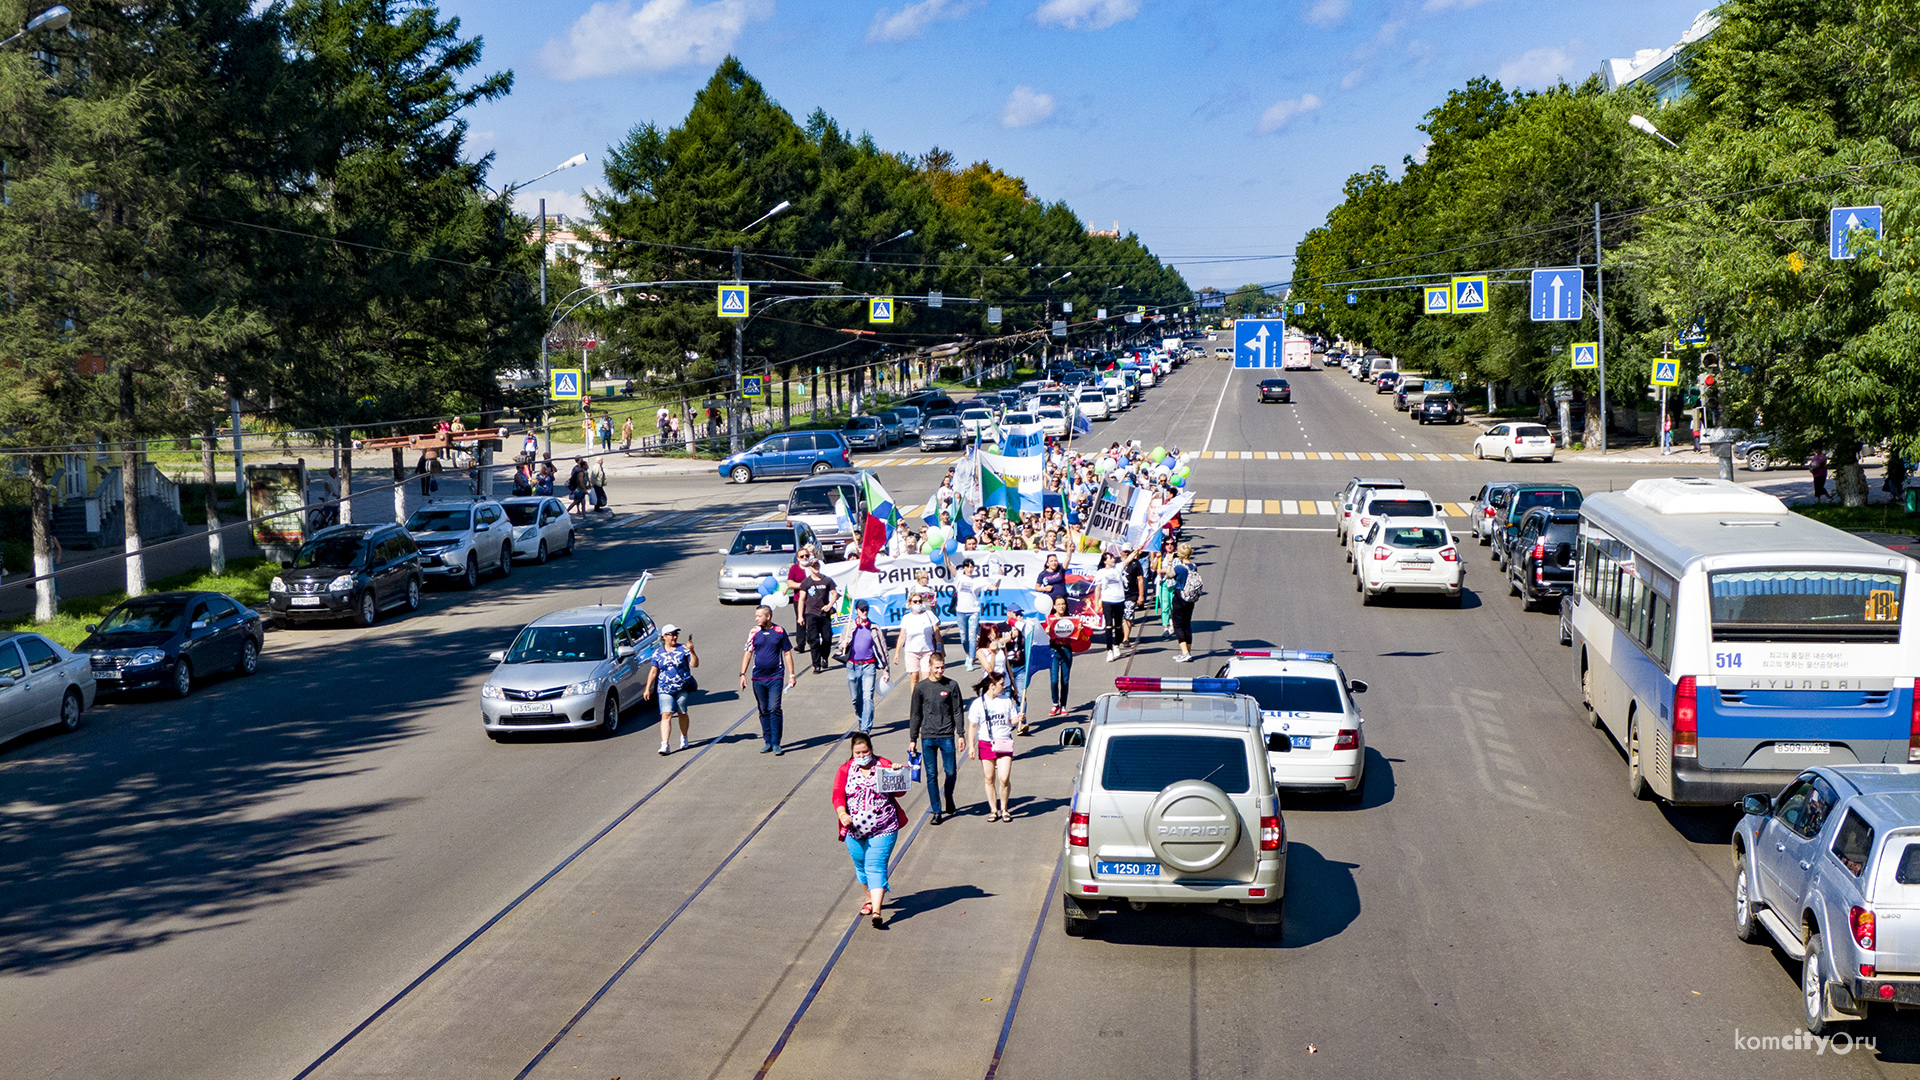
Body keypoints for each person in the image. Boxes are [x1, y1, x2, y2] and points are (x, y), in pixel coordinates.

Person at [833, 732, 905, 929]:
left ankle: (877, 911)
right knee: (861, 865)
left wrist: (896, 773)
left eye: (865, 751)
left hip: (884, 827)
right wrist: (841, 813)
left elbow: (900, 792)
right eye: (857, 753)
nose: (862, 755)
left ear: (871, 750)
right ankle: (869, 897)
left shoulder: (883, 764)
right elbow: (837, 795)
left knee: (875, 866)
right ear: (852, 753)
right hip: (854, 830)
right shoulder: (845, 769)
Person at [908, 652, 965, 824]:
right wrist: (913, 738)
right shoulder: (921, 688)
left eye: (942, 667)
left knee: (951, 772)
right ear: (930, 667)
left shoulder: (951, 685)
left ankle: (948, 795)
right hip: (928, 736)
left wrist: (960, 734)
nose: (940, 671)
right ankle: (936, 810)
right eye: (937, 667)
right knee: (931, 775)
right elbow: (915, 714)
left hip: (947, 735)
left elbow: (958, 711)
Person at [740, 605, 797, 754]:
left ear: (768, 616)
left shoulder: (779, 631)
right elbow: (748, 652)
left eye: (759, 616)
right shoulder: (754, 632)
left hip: (775, 676)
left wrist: (791, 675)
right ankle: (768, 741)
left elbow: (787, 653)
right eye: (756, 616)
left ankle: (776, 742)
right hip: (758, 677)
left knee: (774, 708)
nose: (756, 618)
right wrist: (742, 674)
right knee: (763, 709)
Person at [966, 672, 1019, 821]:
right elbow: (973, 726)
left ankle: (1004, 808)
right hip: (986, 743)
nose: (1004, 686)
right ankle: (993, 809)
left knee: (1003, 778)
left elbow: (1012, 720)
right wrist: (971, 746)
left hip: (1004, 742)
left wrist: (1018, 719)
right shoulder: (978, 703)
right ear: (992, 686)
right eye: (1001, 684)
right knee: (989, 778)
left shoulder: (1006, 701)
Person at [835, 599, 890, 734]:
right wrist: (843, 645)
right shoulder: (849, 627)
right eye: (862, 610)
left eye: (866, 610)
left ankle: (865, 728)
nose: (865, 612)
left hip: (868, 667)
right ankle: (861, 719)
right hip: (852, 666)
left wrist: (886, 670)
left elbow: (883, 649)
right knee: (856, 699)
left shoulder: (874, 628)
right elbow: (840, 643)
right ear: (856, 611)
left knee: (867, 698)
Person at [643, 625, 699, 754]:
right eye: (671, 634)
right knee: (666, 714)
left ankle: (684, 737)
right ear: (664, 637)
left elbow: (695, 664)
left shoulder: (683, 649)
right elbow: (653, 672)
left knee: (682, 712)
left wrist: (692, 651)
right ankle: (665, 744)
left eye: (675, 634)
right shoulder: (658, 653)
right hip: (664, 689)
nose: (674, 637)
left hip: (681, 688)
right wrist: (647, 689)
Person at [1041, 596, 1088, 717]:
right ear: (1054, 606)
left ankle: (1063, 706)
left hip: (1066, 650)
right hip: (1053, 651)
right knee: (1054, 680)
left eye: (1063, 604)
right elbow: (1043, 637)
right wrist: (1046, 632)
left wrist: (1080, 630)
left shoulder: (1071, 619)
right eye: (1058, 604)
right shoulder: (1050, 619)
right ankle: (1055, 703)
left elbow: (1076, 637)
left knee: (1065, 681)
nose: (1061, 606)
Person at [894, 591, 943, 703]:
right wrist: (897, 653)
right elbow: (902, 636)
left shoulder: (929, 615)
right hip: (911, 651)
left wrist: (939, 649)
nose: (918, 603)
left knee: (926, 677)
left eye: (920, 601)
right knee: (914, 676)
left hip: (927, 651)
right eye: (915, 601)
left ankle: (927, 700)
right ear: (910, 604)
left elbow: (936, 632)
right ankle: (916, 700)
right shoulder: (907, 618)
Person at [951, 559, 997, 670]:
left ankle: (971, 659)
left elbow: (994, 588)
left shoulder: (978, 580)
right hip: (961, 611)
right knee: (963, 637)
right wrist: (945, 553)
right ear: (964, 568)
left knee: (972, 637)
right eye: (968, 567)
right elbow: (948, 564)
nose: (970, 569)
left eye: (972, 567)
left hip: (974, 611)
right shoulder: (959, 576)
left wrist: (999, 577)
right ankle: (968, 653)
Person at [797, 559, 839, 674]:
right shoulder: (806, 582)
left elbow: (835, 594)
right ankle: (816, 664)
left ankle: (824, 657)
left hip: (824, 614)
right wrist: (800, 616)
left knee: (827, 638)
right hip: (811, 614)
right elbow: (801, 599)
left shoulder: (827, 580)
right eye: (813, 565)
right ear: (809, 568)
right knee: (813, 640)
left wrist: (829, 605)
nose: (816, 567)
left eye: (817, 565)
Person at [1092, 551, 1128, 661]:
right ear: (1105, 561)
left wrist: (1138, 548)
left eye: (1113, 557)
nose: (1113, 559)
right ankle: (1109, 650)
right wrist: (1096, 604)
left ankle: (1116, 645)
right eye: (1110, 558)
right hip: (1107, 600)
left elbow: (1129, 559)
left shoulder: (1118, 567)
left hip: (1119, 600)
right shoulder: (1100, 572)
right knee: (1108, 625)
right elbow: (1097, 589)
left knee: (1118, 625)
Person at [1168, 541, 1199, 663]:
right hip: (1190, 598)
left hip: (1180, 597)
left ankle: (1185, 652)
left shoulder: (1179, 568)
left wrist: (1170, 561)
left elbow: (1169, 575)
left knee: (1178, 625)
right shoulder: (1194, 566)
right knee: (1187, 623)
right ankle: (1187, 651)